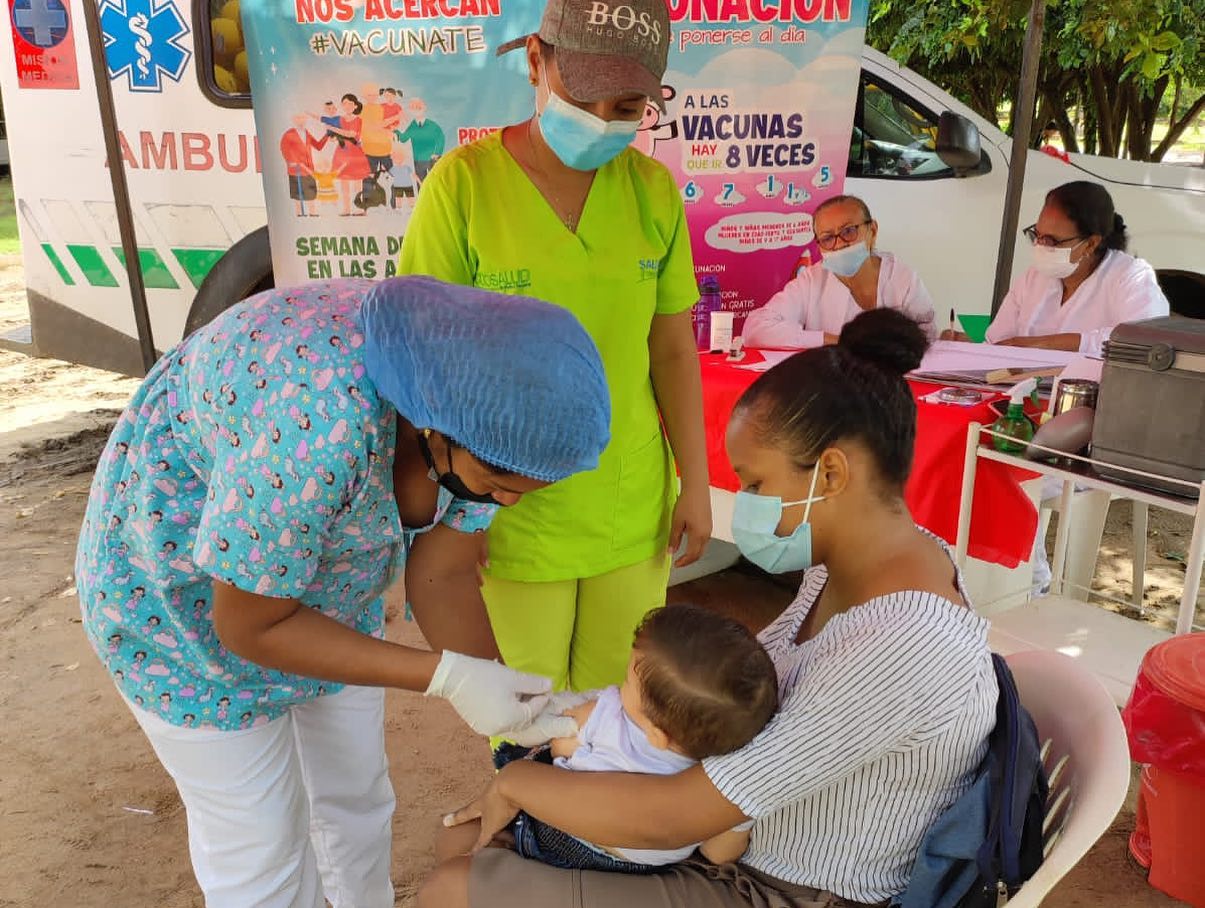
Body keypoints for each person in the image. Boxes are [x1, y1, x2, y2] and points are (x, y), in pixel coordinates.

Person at [421, 308, 999, 908]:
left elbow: (676, 816)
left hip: (788, 888)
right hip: (733, 840)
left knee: (452, 890)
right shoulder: (855, 567)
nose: (744, 503)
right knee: (463, 844)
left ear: (829, 473)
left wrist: (518, 781)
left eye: (754, 484)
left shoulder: (901, 646)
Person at [75, 276, 612, 908]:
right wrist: (445, 677)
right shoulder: (315, 421)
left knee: (356, 797)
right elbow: (250, 625)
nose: (509, 501)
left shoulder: (488, 410)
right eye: (498, 483)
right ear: (430, 426)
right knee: (261, 847)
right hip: (186, 614)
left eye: (524, 488)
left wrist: (510, 696)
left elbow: (442, 574)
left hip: (328, 590)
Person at [399, 0, 711, 704]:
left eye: (625, 106)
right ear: (536, 62)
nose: (601, 120)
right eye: (582, 97)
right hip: (504, 506)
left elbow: (669, 349)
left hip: (630, 502)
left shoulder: (652, 191)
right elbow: (424, 359)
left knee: (618, 706)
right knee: (523, 706)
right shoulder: (463, 185)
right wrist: (454, 500)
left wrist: (694, 481)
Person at [435, 603, 778, 879]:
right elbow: (719, 852)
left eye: (627, 683)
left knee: (462, 835)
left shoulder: (608, 716)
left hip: (561, 837)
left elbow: (561, 748)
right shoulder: (724, 779)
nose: (618, 687)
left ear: (658, 736)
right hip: (643, 871)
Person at [943, 181, 1169, 357]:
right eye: (1037, 235)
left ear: (1090, 244)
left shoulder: (1131, 276)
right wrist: (967, 346)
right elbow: (1000, 345)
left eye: (1052, 240)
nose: (1040, 246)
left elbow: (1142, 342)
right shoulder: (1034, 277)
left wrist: (1042, 344)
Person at [742, 195, 936, 348]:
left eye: (848, 231)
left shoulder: (902, 278)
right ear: (819, 246)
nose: (839, 244)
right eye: (828, 238)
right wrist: (835, 341)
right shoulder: (811, 280)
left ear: (873, 231)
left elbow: (927, 337)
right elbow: (755, 330)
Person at [328, 93, 373, 216]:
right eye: (344, 103)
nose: (347, 106)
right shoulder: (339, 119)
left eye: (350, 103)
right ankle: (346, 208)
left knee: (357, 183)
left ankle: (359, 208)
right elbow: (333, 138)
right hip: (342, 153)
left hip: (355, 154)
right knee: (344, 183)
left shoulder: (358, 120)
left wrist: (333, 129)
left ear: (355, 106)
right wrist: (331, 136)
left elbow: (351, 134)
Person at [393, 97, 445, 183]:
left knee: (435, 181)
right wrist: (395, 131)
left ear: (424, 108)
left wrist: (437, 153)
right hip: (418, 160)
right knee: (420, 182)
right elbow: (403, 138)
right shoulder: (412, 126)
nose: (416, 109)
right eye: (413, 107)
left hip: (431, 159)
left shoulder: (432, 125)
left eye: (418, 107)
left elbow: (440, 138)